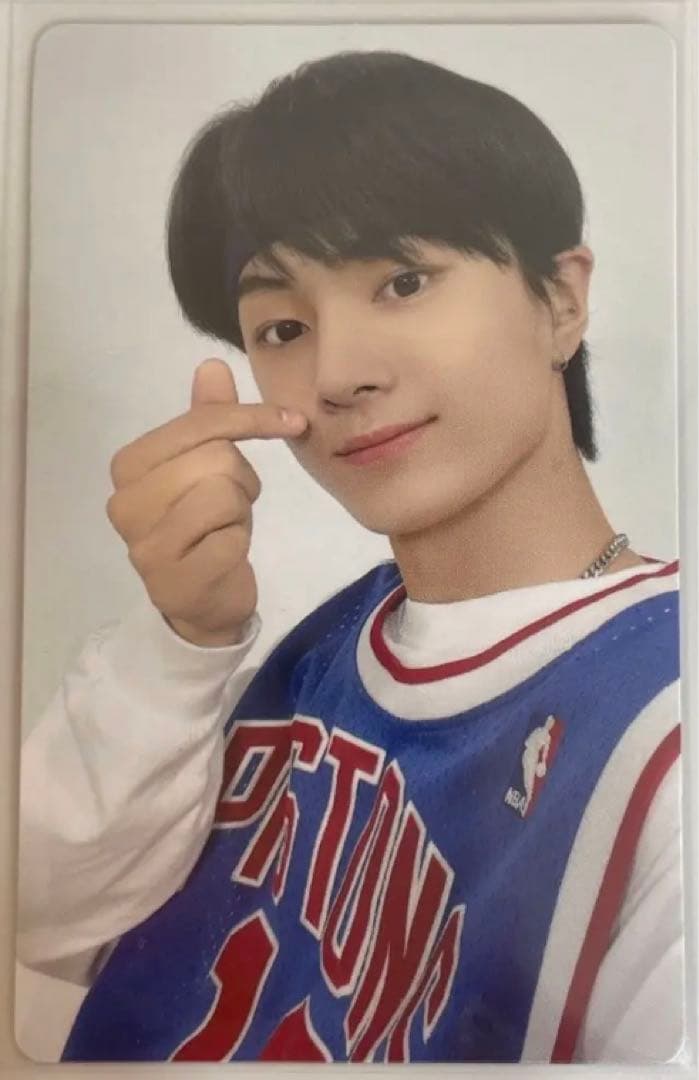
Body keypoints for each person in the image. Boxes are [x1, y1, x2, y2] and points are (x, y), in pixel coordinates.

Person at [17, 50, 682, 1064]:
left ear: (559, 300)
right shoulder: (314, 650)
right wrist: (183, 642)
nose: (336, 374)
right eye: (283, 327)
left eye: (403, 281)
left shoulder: (663, 724)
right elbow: (38, 913)